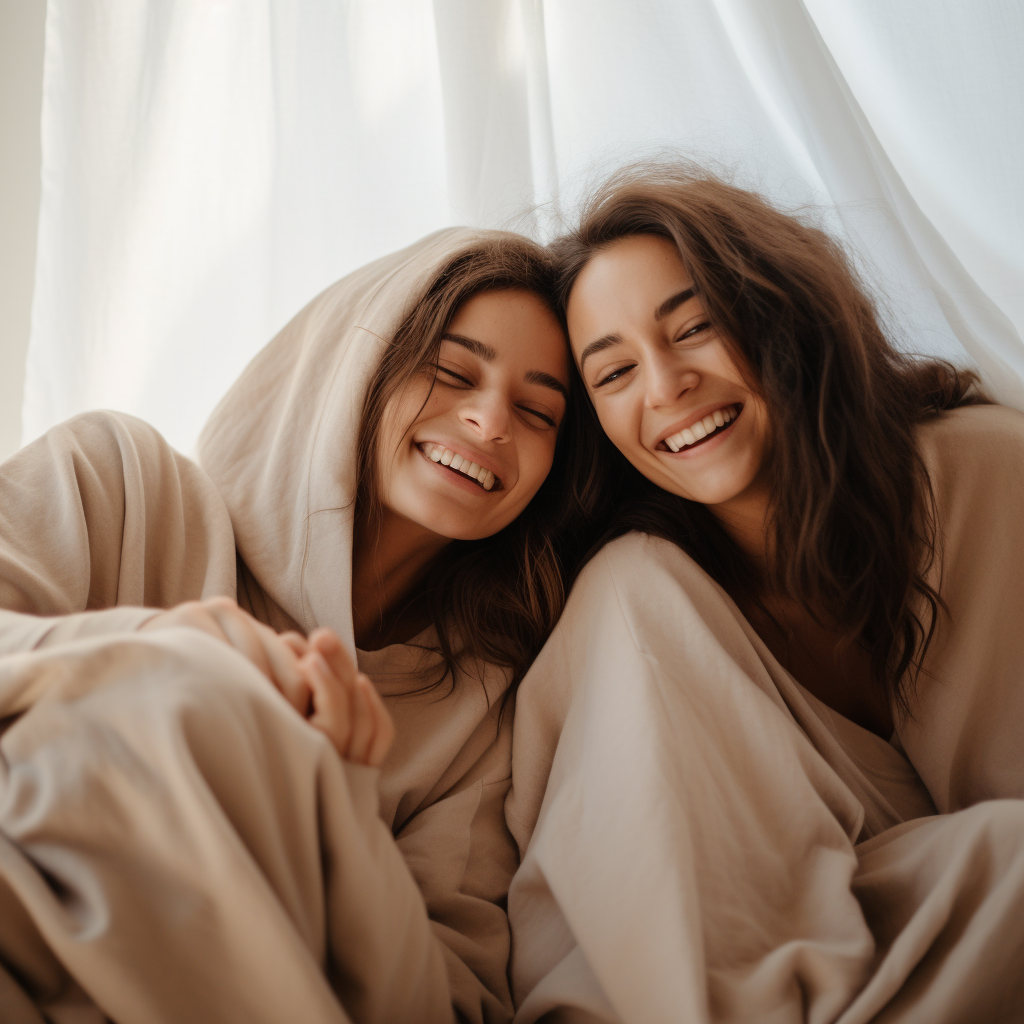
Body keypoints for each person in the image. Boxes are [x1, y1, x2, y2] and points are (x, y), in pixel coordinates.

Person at [0, 227, 592, 1024]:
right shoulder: (117, 479)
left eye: (537, 411)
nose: (491, 423)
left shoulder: (482, 709)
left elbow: (448, 998)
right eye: (453, 372)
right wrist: (180, 658)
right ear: (359, 369)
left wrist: (332, 798)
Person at [505, 165, 1024, 1023]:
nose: (666, 387)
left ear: (774, 309)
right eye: (614, 373)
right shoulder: (633, 598)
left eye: (696, 327)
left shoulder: (981, 475)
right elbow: (670, 934)